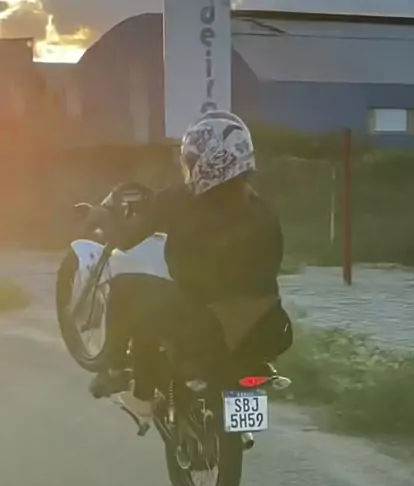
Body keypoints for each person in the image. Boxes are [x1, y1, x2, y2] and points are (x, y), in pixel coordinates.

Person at [88, 111, 293, 426]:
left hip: (206, 326)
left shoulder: (179, 199)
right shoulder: (262, 209)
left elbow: (124, 240)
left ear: (207, 162)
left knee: (126, 288)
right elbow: (273, 263)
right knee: (168, 300)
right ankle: (237, 420)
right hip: (265, 329)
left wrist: (104, 218)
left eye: (192, 160)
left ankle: (129, 381)